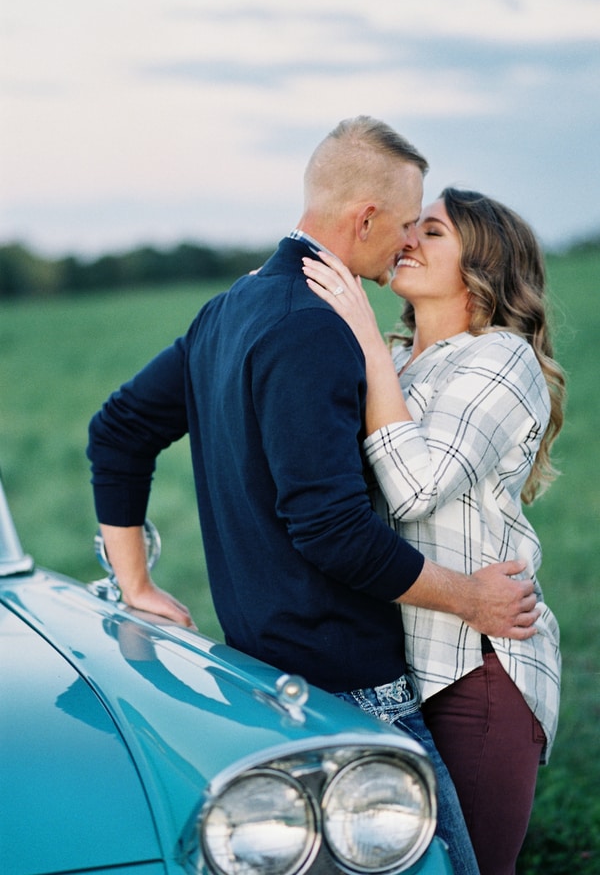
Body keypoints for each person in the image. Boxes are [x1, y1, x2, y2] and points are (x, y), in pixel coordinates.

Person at [87, 117, 539, 874]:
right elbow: (331, 530)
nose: (404, 244)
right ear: (363, 218)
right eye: (403, 226)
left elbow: (117, 429)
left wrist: (137, 580)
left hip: (258, 675)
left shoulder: (229, 309)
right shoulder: (317, 326)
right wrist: (468, 598)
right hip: (352, 685)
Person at [302, 186, 565, 875]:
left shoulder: (500, 359)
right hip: (386, 669)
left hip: (474, 666)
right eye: (410, 226)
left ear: (483, 265)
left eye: (435, 231)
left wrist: (365, 340)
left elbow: (416, 488)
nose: (408, 238)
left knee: (468, 866)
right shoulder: (397, 355)